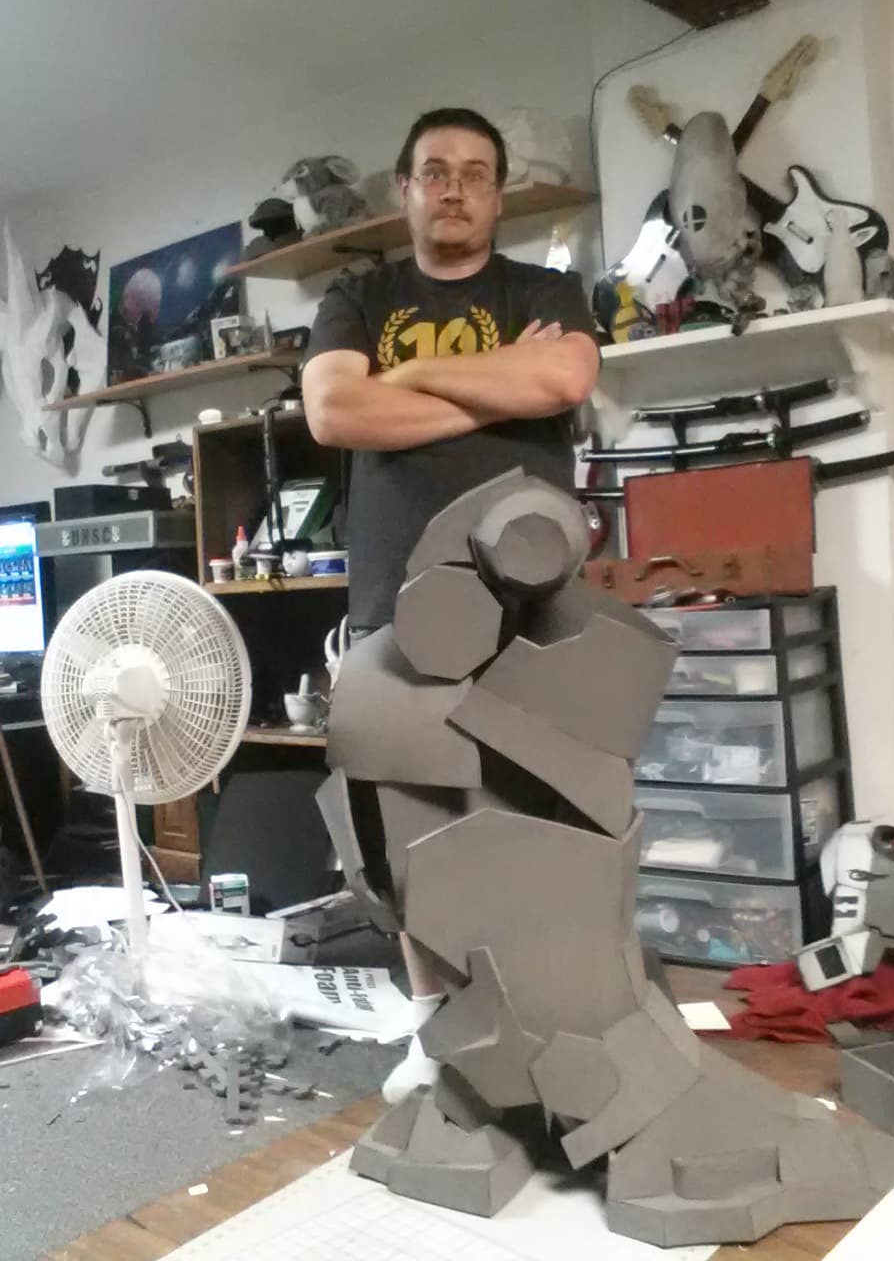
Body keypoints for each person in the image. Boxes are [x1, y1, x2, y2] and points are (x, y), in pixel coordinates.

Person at [302, 106, 600, 1102]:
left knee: (535, 816)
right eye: (435, 171)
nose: (455, 188)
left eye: (475, 172)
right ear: (406, 191)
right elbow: (334, 409)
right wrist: (496, 387)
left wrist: (417, 376)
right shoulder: (358, 294)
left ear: (498, 194)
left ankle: (534, 1019)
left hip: (528, 596)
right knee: (412, 825)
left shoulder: (545, 290)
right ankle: (435, 1027)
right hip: (398, 599)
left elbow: (564, 373)